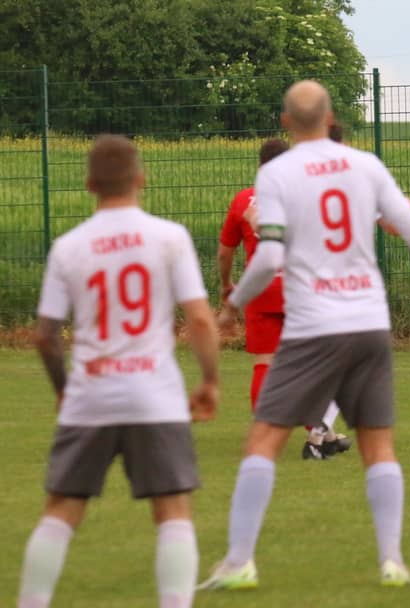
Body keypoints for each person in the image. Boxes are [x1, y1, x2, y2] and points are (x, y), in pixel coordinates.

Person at [199, 80, 410, 590]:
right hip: (369, 322)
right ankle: (392, 561)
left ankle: (240, 562)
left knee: (263, 440)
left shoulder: (276, 173)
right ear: (331, 118)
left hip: (313, 325)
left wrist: (233, 304)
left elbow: (268, 256)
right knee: (378, 445)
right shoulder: (365, 165)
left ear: (286, 122)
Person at [17, 135, 220, 608]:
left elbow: (45, 335)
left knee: (61, 510)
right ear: (140, 179)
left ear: (90, 184)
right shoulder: (170, 237)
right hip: (156, 395)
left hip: (90, 394)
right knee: (172, 510)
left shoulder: (68, 247)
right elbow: (200, 319)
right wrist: (210, 380)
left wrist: (63, 390)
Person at [218, 138, 351, 460]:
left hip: (261, 287)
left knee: (265, 361)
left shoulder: (243, 201)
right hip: (300, 288)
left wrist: (227, 285)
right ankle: (320, 433)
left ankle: (279, 434)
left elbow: (225, 252)